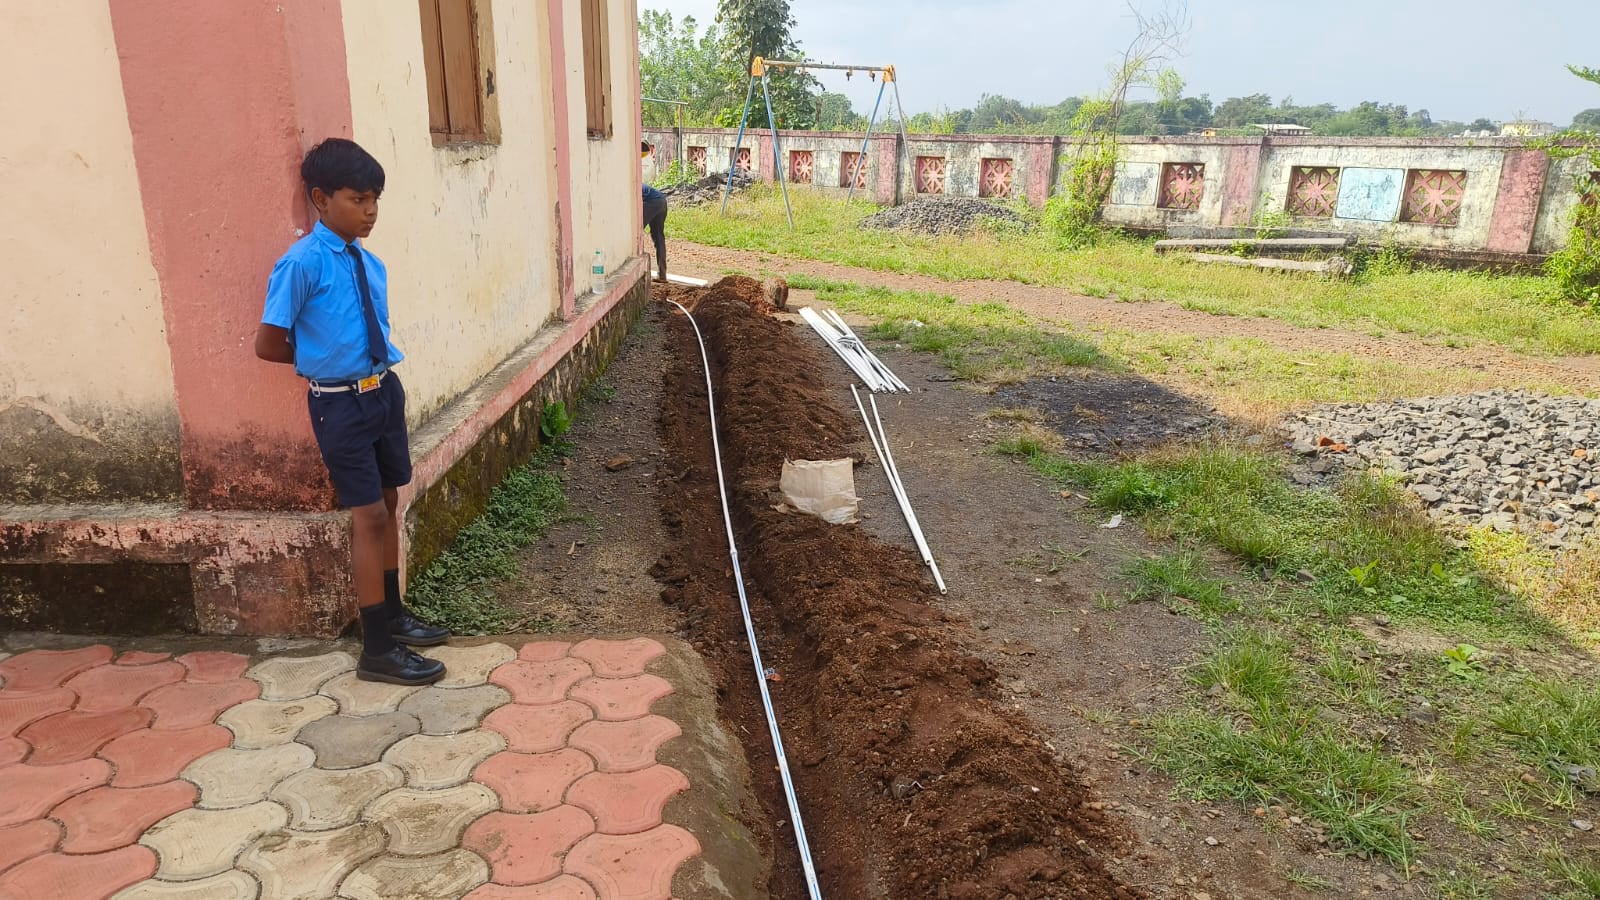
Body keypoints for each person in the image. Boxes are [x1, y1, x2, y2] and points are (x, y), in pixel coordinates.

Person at [254, 138, 450, 686]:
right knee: (368, 517)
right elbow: (268, 343)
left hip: (382, 391)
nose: (370, 211)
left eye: (375, 200)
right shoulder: (302, 264)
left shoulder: (370, 263)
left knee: (388, 502)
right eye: (358, 199)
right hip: (339, 403)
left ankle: (394, 615)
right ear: (321, 198)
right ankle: (377, 650)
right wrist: (321, 361)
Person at [642, 141, 669, 282]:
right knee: (659, 237)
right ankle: (662, 274)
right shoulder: (641, 183)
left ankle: (640, 268)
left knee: (635, 233)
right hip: (662, 201)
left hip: (654, 202)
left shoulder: (632, 185)